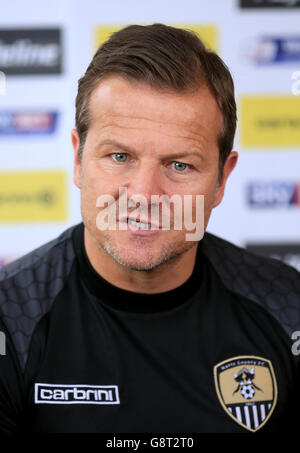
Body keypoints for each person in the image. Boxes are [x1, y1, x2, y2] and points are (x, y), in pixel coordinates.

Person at [0, 23, 299, 434]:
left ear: (221, 181)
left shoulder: (289, 308)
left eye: (180, 165)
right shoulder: (9, 318)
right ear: (77, 159)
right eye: (119, 156)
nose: (143, 194)